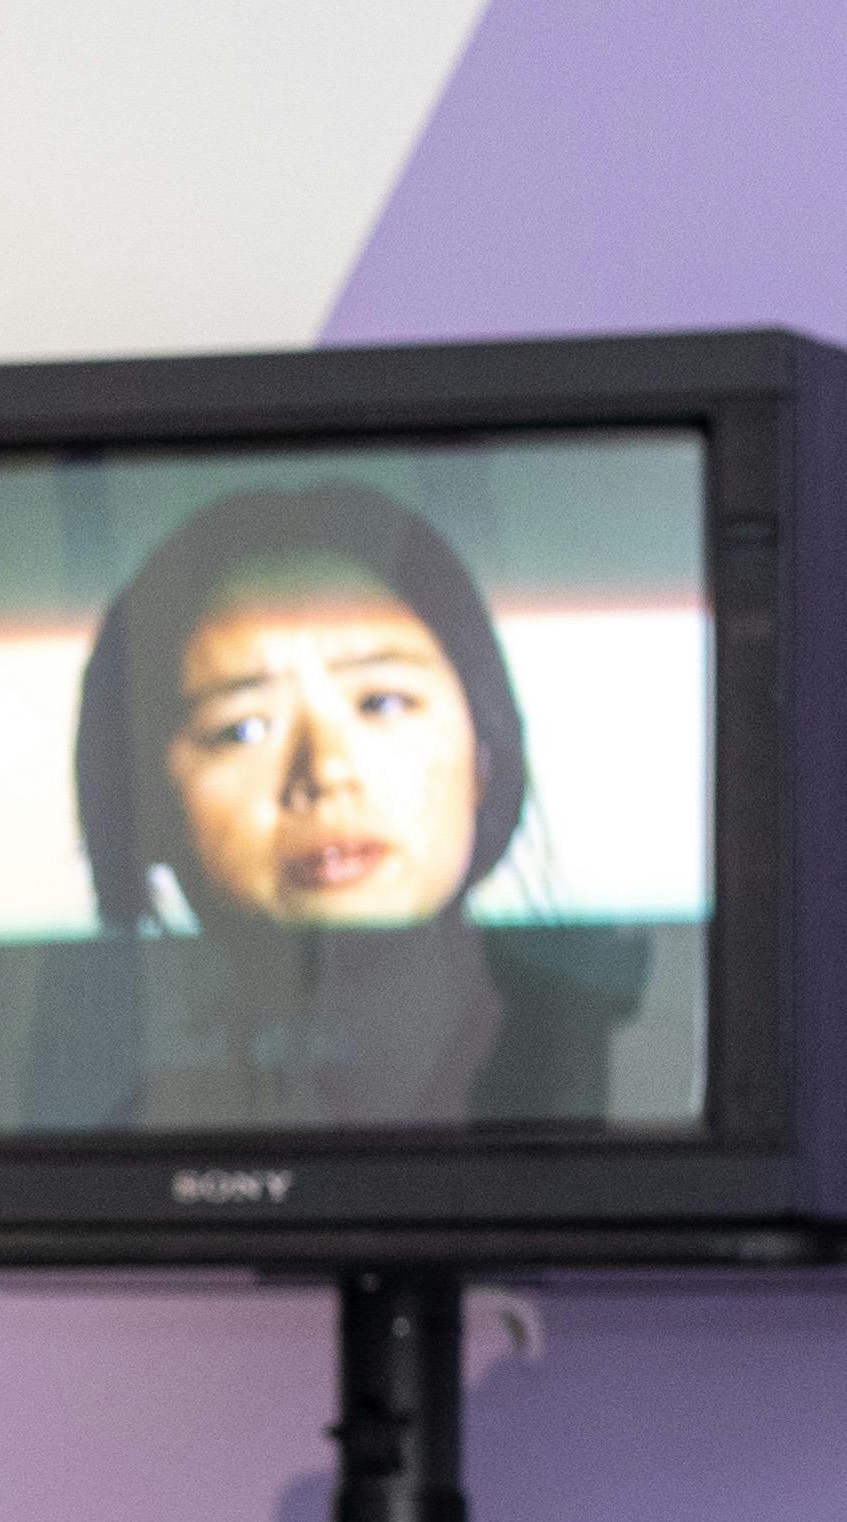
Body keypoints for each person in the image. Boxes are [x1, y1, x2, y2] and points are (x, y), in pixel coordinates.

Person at [45, 475, 627, 1128]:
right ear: (147, 808)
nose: (325, 772)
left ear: (483, 755)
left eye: (382, 702)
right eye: (242, 729)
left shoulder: (633, 1076)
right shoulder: (130, 1144)